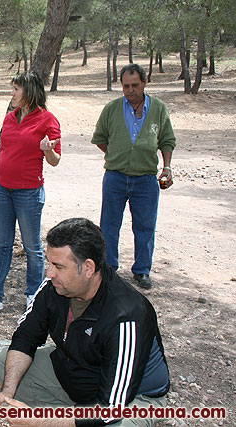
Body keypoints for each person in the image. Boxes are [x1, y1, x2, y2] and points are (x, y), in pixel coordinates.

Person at [0, 218, 170, 427]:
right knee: (2, 361)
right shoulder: (53, 286)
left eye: (58, 266)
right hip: (77, 372)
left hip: (131, 399)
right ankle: (73, 415)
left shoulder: (126, 316)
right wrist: (7, 392)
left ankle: (68, 417)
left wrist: (40, 422)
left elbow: (112, 409)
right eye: (49, 263)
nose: (49, 273)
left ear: (88, 268)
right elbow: (25, 338)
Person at [0, 72, 61, 313]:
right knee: (3, 244)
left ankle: (34, 294)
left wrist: (47, 150)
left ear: (30, 92)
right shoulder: (10, 118)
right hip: (3, 190)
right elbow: (3, 152)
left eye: (15, 89)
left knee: (32, 246)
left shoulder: (47, 120)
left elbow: (55, 160)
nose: (11, 93)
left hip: (29, 192)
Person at [92, 64, 176, 290]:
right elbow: (100, 137)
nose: (130, 90)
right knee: (109, 225)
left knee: (145, 226)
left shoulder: (158, 108)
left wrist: (167, 167)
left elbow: (167, 140)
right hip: (115, 177)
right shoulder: (111, 109)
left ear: (145, 82)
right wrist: (116, 154)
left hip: (146, 179)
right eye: (126, 86)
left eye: (135, 85)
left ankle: (142, 271)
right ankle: (109, 269)